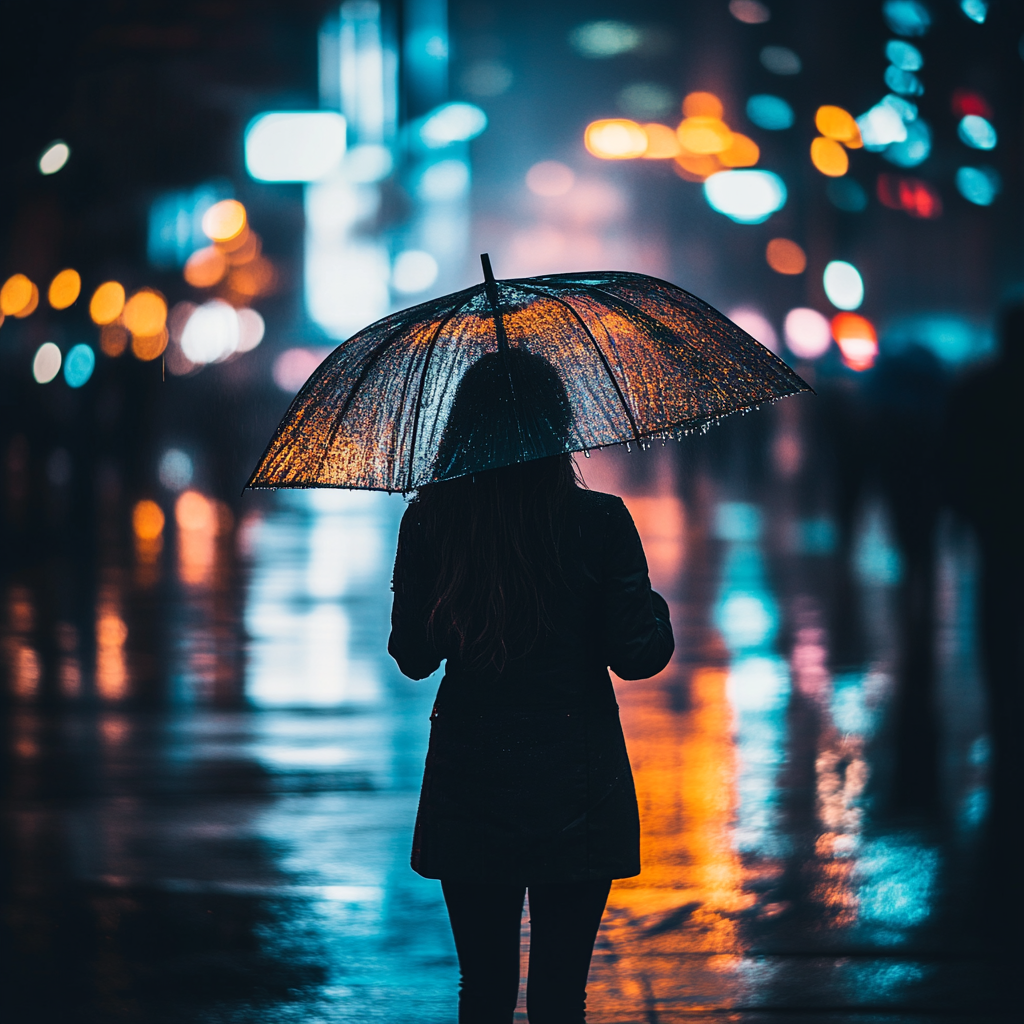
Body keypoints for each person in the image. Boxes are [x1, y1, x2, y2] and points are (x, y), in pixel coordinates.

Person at [388, 350, 674, 1023]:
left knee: (483, 991)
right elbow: (638, 655)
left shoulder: (432, 520)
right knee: (558, 995)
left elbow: (413, 655)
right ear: (557, 424)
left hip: (473, 778)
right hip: (577, 781)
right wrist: (652, 608)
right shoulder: (600, 523)